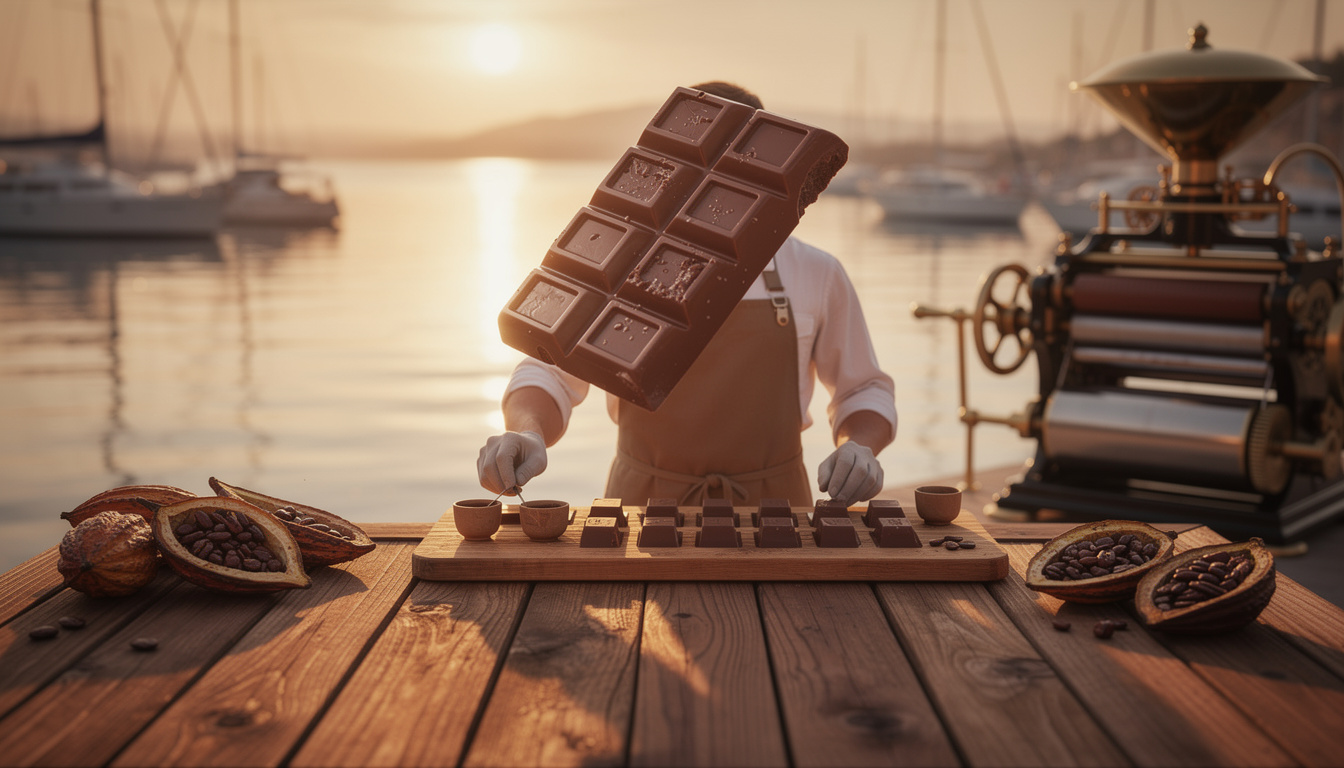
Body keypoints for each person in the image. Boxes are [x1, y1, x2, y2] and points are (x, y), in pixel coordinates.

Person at [478, 81, 896, 507]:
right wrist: (527, 431)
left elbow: (862, 390)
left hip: (778, 511)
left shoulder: (816, 272)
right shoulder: (615, 263)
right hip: (642, 510)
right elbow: (548, 370)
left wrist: (857, 446)